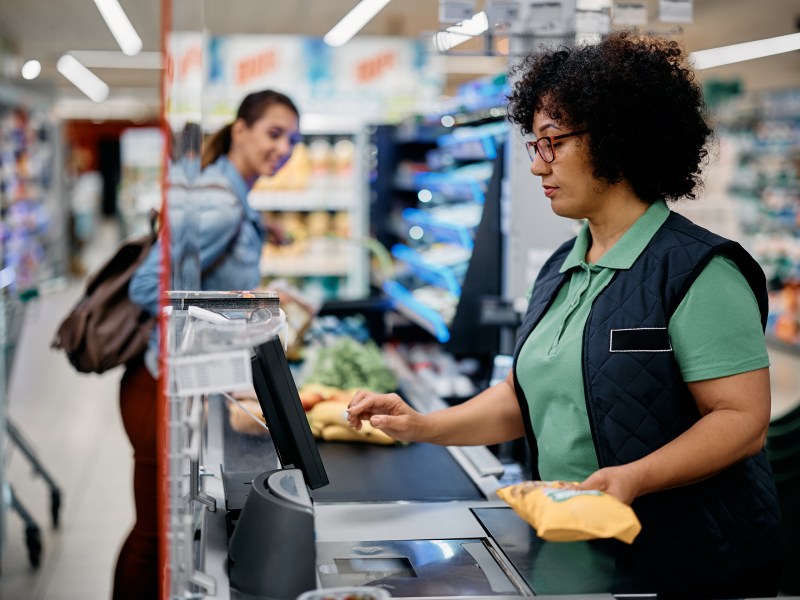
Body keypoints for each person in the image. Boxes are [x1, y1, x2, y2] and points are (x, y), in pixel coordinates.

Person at [347, 32, 785, 598]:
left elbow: (741, 421)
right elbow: (526, 396)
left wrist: (635, 478)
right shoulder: (563, 265)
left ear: (616, 141)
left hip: (689, 564)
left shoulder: (699, 272)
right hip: (581, 553)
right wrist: (425, 425)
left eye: (553, 142)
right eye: (535, 144)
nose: (537, 166)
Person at [112, 89, 300, 600]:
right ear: (240, 129)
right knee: (153, 540)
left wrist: (264, 234)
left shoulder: (228, 192)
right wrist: (248, 306)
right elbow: (147, 289)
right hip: (157, 388)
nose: (283, 149)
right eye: (274, 133)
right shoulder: (220, 203)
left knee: (165, 535)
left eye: (293, 140)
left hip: (175, 383)